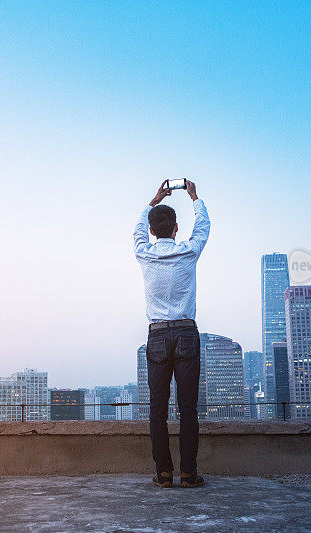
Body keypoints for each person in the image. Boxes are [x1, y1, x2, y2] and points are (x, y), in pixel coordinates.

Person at [133, 179, 210, 488]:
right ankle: (189, 474)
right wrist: (194, 197)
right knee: (188, 408)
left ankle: (164, 473)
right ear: (176, 228)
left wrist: (153, 199)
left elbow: (137, 228)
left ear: (153, 231)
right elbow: (203, 228)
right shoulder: (188, 251)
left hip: (158, 336)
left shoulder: (144, 253)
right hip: (187, 333)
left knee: (157, 408)